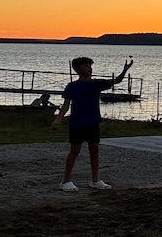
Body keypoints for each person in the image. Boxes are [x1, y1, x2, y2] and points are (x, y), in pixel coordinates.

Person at [53, 56, 133, 191]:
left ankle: (95, 180)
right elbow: (66, 106)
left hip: (93, 122)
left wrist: (125, 69)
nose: (89, 68)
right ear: (78, 69)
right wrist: (58, 120)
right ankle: (65, 180)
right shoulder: (72, 86)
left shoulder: (97, 84)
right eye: (86, 66)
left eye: (90, 66)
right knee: (74, 151)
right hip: (77, 123)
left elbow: (117, 81)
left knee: (94, 150)